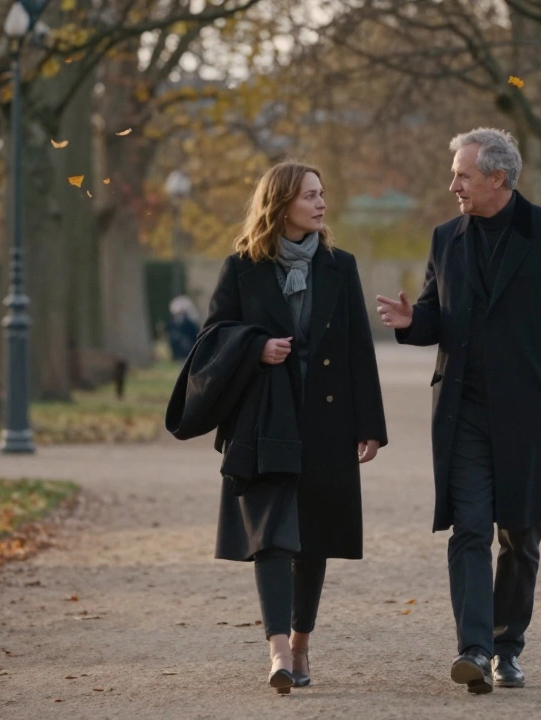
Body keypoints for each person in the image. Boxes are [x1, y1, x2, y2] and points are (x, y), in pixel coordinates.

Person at [375, 128, 541, 694]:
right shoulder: (446, 237)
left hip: (529, 414)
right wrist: (412, 322)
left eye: (462, 176)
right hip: (463, 412)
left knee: (520, 537)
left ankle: (506, 645)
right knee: (468, 528)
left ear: (497, 178)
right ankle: (473, 648)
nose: (453, 185)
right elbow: (435, 315)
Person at [172, 162, 388, 693]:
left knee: (312, 537)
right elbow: (212, 338)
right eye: (310, 195)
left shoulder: (341, 265)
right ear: (281, 203)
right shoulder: (242, 266)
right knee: (269, 535)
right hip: (266, 417)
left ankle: (301, 643)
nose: (320, 204)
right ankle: (276, 652)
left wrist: (371, 425)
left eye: (322, 194)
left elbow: (358, 347)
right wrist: (255, 346)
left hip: (328, 418)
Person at [165, 294, 200, 361]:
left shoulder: (190, 323)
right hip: (179, 351)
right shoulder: (171, 324)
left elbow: (195, 335)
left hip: (190, 349)